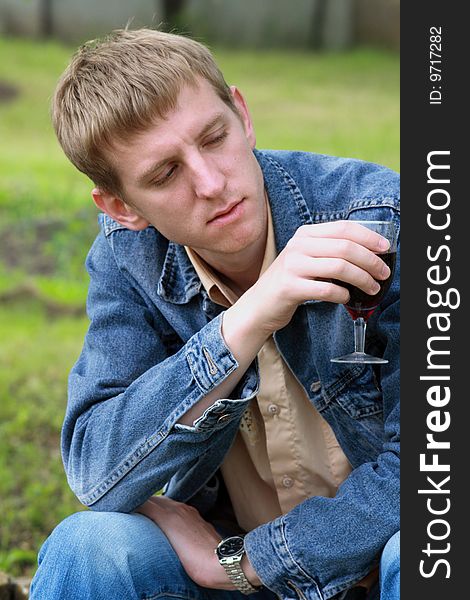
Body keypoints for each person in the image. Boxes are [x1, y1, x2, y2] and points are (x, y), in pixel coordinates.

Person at [30, 28, 400, 600]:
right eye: (164, 174)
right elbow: (96, 470)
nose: (210, 183)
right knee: (91, 546)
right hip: (236, 589)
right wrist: (244, 323)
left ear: (243, 115)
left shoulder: (383, 221)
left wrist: (244, 562)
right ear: (121, 207)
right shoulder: (129, 259)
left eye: (214, 138)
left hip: (374, 572)